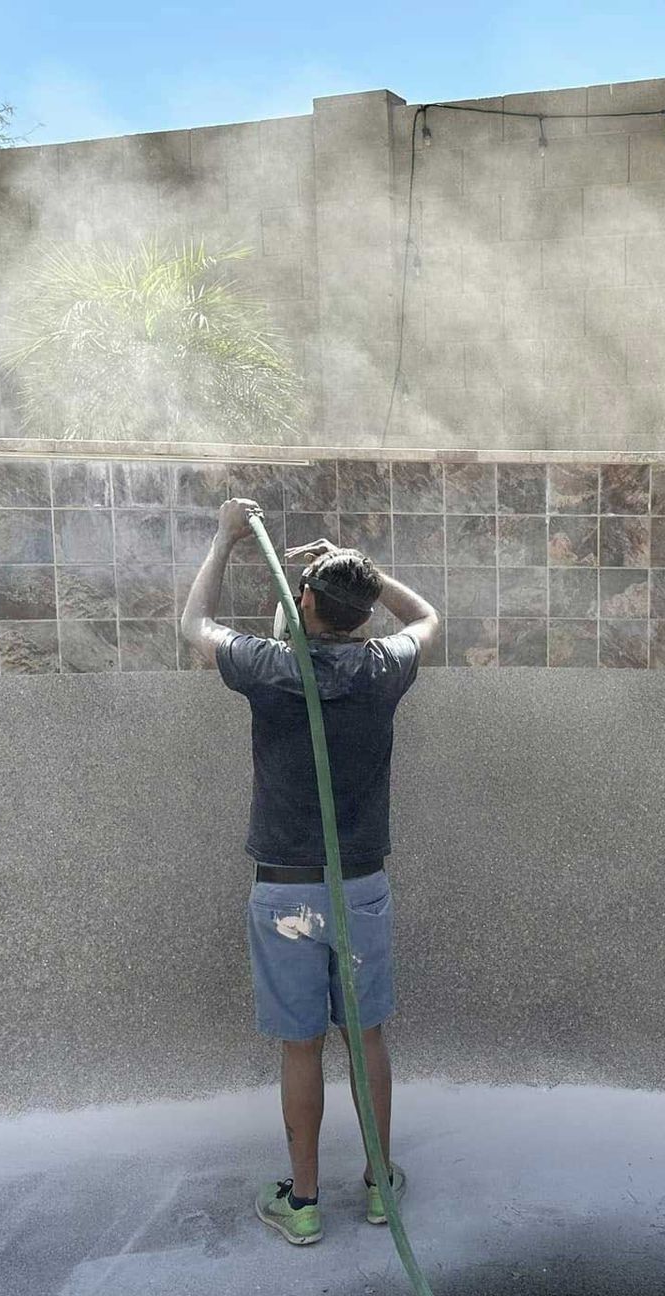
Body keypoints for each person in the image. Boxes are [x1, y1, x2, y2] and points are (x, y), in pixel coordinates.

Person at [180, 496, 441, 1246]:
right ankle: (380, 1188)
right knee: (366, 1038)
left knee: (302, 1047)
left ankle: (302, 1202)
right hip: (359, 889)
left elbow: (194, 625)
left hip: (286, 895)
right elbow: (427, 617)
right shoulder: (382, 667)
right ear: (362, 615)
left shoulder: (271, 666)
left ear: (303, 602)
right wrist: (367, 576)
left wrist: (225, 539)